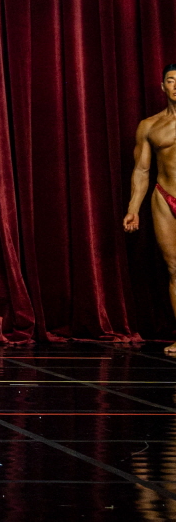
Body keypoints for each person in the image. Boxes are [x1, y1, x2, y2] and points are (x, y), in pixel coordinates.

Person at [122, 63, 176, 358]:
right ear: (162, 86)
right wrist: (133, 208)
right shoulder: (150, 126)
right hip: (164, 197)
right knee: (174, 269)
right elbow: (142, 170)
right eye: (171, 80)